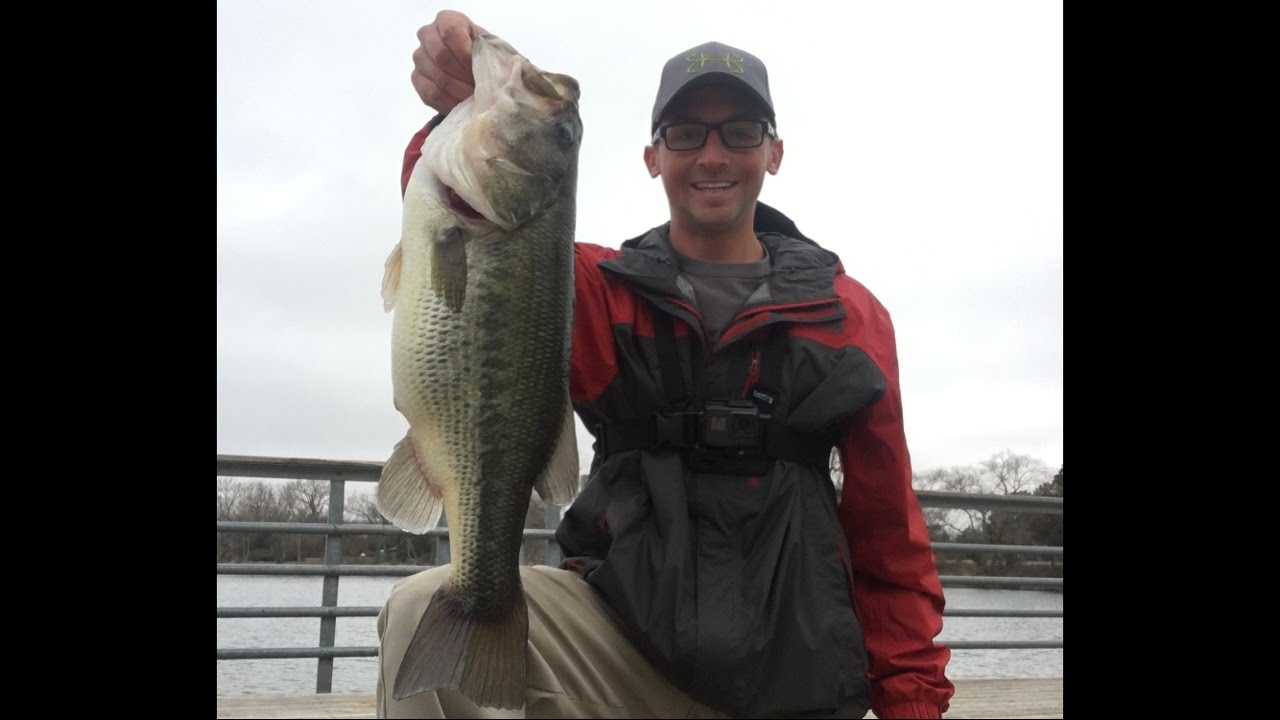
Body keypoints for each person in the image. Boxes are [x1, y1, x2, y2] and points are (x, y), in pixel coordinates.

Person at [377, 10, 955, 719]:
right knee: (415, 611)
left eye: (740, 132)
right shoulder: (594, 288)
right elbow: (471, 272)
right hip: (618, 654)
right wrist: (453, 113)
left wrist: (914, 704)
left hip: (794, 683)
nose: (713, 155)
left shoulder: (849, 315)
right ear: (654, 156)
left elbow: (888, 534)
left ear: (774, 153)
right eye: (686, 133)